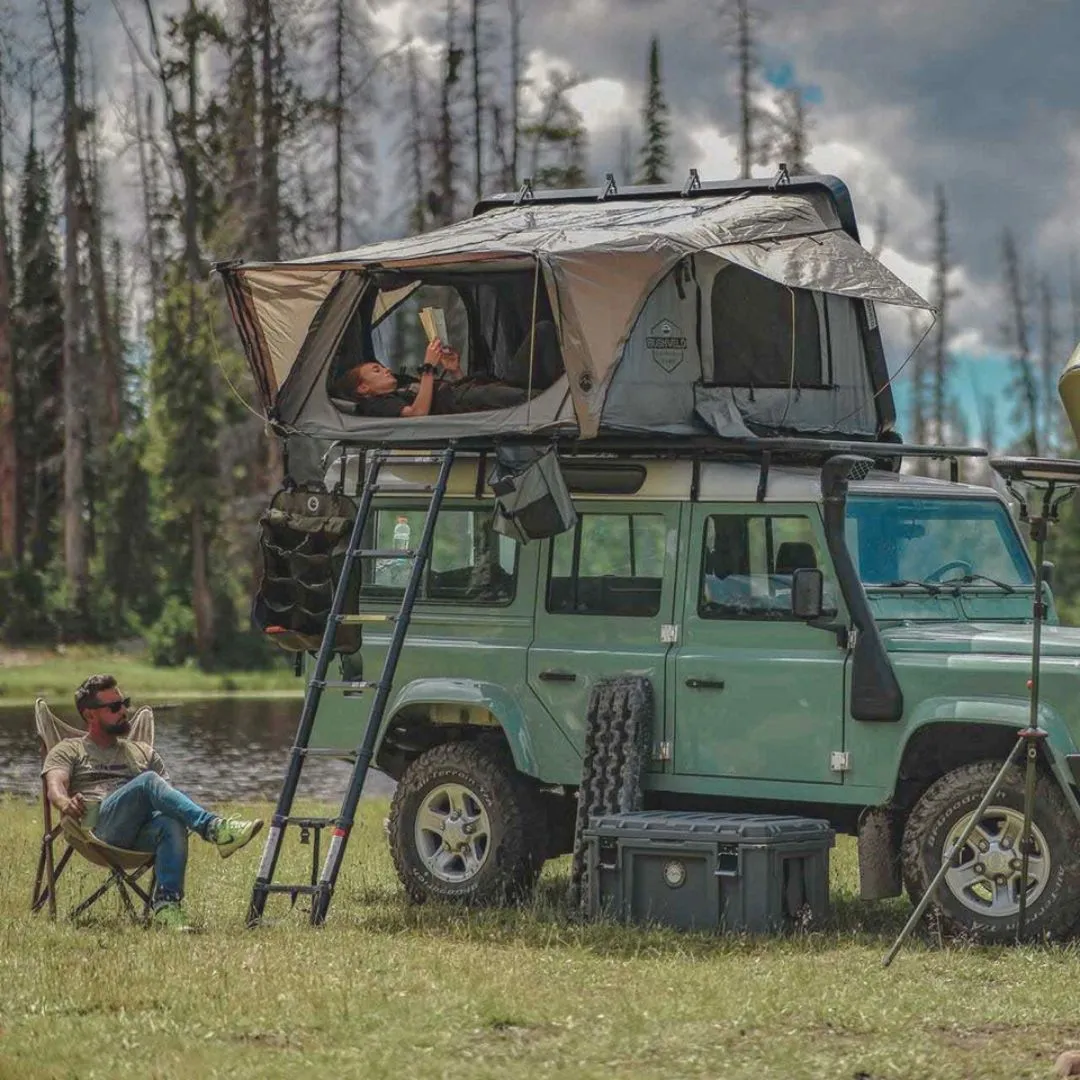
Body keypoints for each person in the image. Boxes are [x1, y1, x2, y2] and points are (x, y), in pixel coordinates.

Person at [41, 673, 264, 929]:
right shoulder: (69, 749)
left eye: (125, 702)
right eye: (114, 707)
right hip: (93, 826)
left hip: (138, 831)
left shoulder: (141, 752)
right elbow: (55, 786)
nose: (124, 710)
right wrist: (64, 802)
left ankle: (167, 908)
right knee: (147, 781)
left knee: (171, 820)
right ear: (90, 715)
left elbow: (167, 796)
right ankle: (215, 829)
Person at [333, 321, 561, 418]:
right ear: (363, 388)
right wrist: (429, 367)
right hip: (470, 399)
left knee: (543, 330)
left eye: (381, 367)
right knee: (535, 400)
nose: (385, 370)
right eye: (376, 371)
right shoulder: (379, 403)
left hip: (477, 387)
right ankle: (567, 406)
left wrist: (454, 371)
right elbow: (417, 414)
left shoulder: (402, 383)